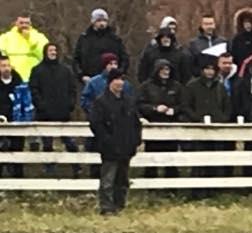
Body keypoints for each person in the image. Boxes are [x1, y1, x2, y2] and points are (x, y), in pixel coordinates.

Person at [88, 68, 142, 214]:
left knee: (122, 179)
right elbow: (96, 124)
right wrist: (106, 140)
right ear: (110, 82)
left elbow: (136, 122)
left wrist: (136, 140)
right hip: (110, 147)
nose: (120, 83)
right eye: (116, 80)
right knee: (108, 179)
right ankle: (106, 207)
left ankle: (120, 205)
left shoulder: (128, 101)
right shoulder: (101, 102)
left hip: (126, 146)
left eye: (122, 80)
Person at [74, 9, 130, 82]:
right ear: (93, 22)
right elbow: (76, 59)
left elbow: (124, 58)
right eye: (99, 20)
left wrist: (120, 72)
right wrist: (81, 75)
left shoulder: (114, 39)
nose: (102, 23)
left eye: (104, 20)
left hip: (111, 80)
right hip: (89, 79)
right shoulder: (84, 39)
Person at [29, 42, 78, 125]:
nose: (53, 52)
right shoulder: (37, 70)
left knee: (67, 137)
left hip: (63, 113)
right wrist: (40, 105)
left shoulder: (66, 70)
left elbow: (72, 88)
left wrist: (71, 104)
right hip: (44, 114)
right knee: (46, 137)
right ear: (45, 52)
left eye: (55, 50)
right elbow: (34, 89)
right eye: (50, 50)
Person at [180, 52, 232, 125]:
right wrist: (196, 118)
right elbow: (186, 105)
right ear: (202, 70)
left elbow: (227, 106)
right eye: (207, 69)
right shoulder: (192, 86)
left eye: (212, 69)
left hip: (217, 123)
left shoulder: (220, 86)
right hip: (197, 124)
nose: (210, 72)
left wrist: (223, 118)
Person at [3, 14, 49, 81]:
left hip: (33, 78)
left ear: (30, 24)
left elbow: (45, 55)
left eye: (27, 23)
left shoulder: (39, 37)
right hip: (11, 79)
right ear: (16, 23)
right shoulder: (5, 37)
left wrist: (30, 39)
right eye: (21, 23)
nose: (24, 25)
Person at [138, 58, 182, 122]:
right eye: (162, 69)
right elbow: (139, 105)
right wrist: (155, 108)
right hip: (151, 121)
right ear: (156, 70)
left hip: (173, 121)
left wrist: (174, 110)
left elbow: (183, 104)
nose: (165, 72)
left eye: (167, 69)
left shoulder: (177, 86)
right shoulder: (146, 86)